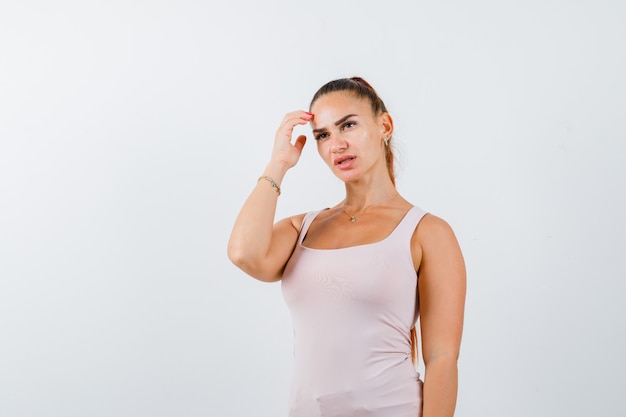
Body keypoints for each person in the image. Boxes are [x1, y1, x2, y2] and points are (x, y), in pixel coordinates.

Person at [227, 77, 466, 417]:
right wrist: (277, 164)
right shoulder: (304, 228)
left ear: (385, 126)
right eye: (322, 135)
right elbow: (244, 253)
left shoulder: (427, 232)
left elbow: (442, 359)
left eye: (348, 126)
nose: (335, 145)